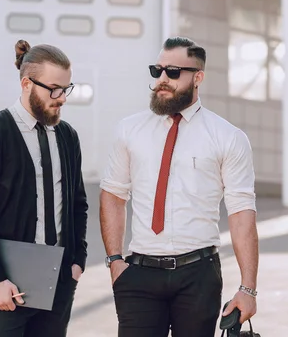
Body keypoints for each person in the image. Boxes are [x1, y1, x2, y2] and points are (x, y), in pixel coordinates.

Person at [99, 36, 259, 337]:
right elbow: (113, 195)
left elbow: (241, 213)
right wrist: (115, 262)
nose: (162, 79)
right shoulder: (129, 130)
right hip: (138, 274)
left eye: (173, 73)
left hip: (198, 274)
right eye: (157, 70)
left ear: (197, 78)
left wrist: (248, 288)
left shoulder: (227, 137)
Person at [0, 40, 88, 337]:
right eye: (54, 89)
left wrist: (77, 260)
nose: (62, 98)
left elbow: (77, 203)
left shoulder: (68, 136)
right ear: (26, 84)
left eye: (66, 89)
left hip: (59, 277)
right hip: (9, 281)